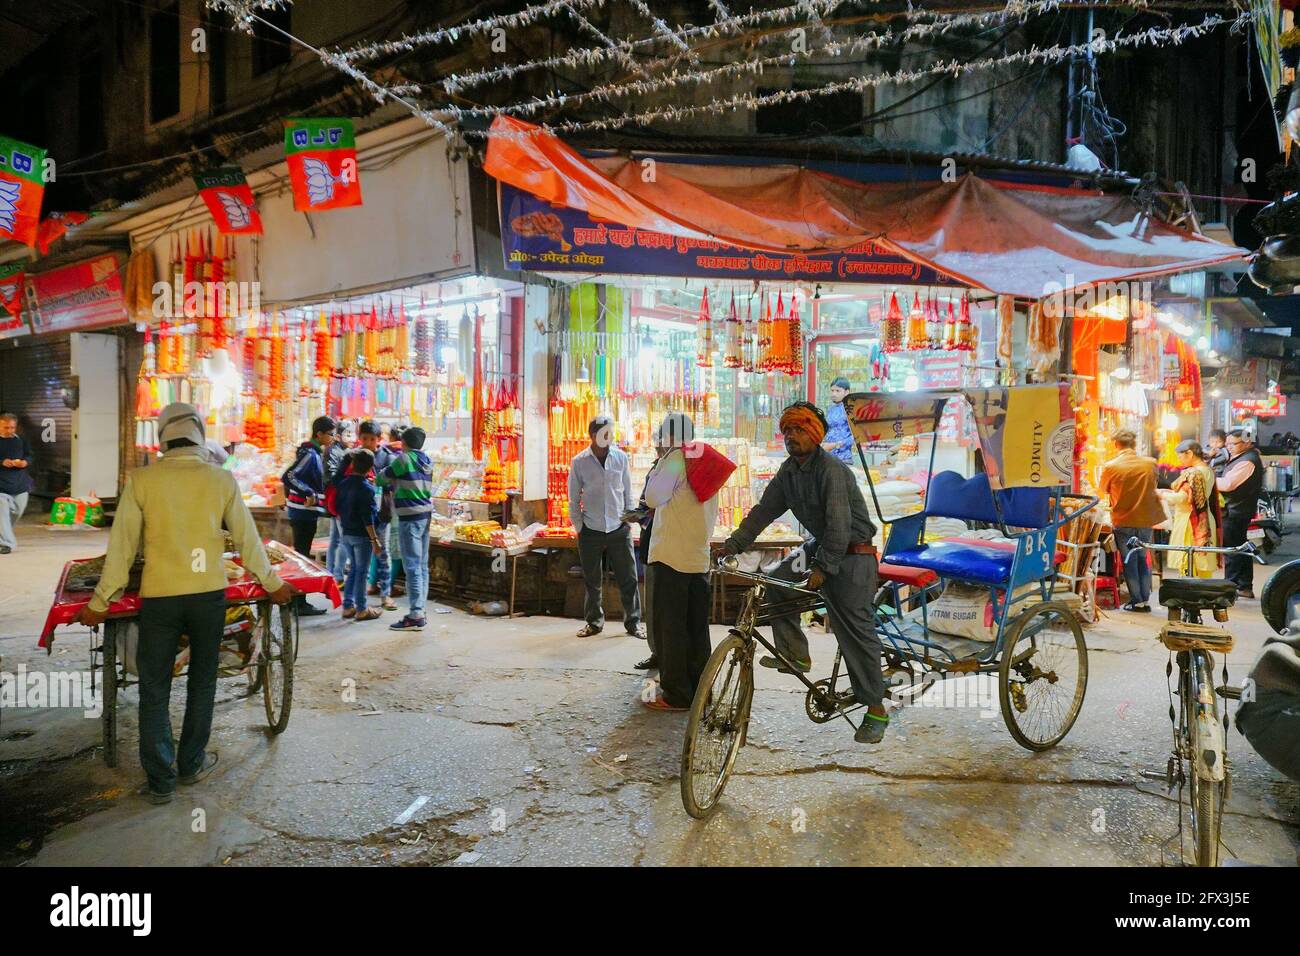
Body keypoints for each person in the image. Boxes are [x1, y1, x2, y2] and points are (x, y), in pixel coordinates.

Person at [76, 403, 294, 804]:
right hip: (208, 596)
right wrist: (273, 582)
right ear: (198, 436)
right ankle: (191, 764)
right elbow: (247, 541)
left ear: (161, 438)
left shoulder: (142, 480)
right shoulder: (220, 480)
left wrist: (100, 601)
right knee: (202, 681)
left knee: (154, 687)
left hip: (160, 597)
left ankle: (161, 781)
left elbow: (121, 549)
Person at [723, 402, 890, 744]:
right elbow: (764, 510)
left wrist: (823, 568)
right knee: (779, 580)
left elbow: (840, 525)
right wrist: (735, 542)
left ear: (814, 435)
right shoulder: (788, 471)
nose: (792, 437)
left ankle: (876, 709)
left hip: (853, 555)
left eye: (799, 430)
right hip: (821, 547)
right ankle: (796, 655)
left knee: (854, 631)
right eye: (787, 431)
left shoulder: (831, 470)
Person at [641, 413, 719, 711]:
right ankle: (700, 689)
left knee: (671, 627)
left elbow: (651, 497)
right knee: (696, 628)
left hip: (672, 555)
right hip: (697, 556)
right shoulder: (705, 458)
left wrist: (663, 461)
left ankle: (677, 694)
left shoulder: (675, 459)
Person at [568, 414, 643, 639]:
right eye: (604, 434)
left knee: (628, 577)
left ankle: (633, 622)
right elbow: (573, 498)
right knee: (592, 579)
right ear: (592, 435)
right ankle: (593, 623)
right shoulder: (579, 462)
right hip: (591, 528)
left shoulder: (620, 458)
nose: (608, 438)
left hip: (618, 528)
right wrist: (580, 527)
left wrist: (629, 520)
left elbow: (627, 491)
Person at [1098, 429, 1164, 612]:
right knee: (1142, 558)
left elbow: (1103, 489)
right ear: (1134, 444)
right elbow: (1154, 484)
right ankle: (1144, 599)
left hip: (1123, 518)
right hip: (1145, 518)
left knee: (1129, 560)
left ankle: (1136, 600)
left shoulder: (1111, 466)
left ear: (1115, 444)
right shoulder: (1150, 463)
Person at [381, 426, 434, 631]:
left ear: (404, 443)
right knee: (421, 565)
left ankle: (415, 614)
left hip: (409, 516)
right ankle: (421, 608)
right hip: (425, 514)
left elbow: (381, 478)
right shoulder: (427, 460)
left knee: (411, 565)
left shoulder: (404, 459)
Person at [281, 415, 336, 616]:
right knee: (302, 557)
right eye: (330, 434)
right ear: (319, 434)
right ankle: (298, 602)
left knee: (302, 555)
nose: (332, 438)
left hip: (304, 512)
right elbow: (288, 476)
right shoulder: (310, 454)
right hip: (302, 512)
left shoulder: (313, 452)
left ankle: (299, 601)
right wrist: (309, 493)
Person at [334, 448, 385, 621]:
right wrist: (374, 540)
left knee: (354, 571)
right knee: (361, 572)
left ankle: (348, 606)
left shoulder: (343, 484)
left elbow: (338, 508)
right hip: (361, 536)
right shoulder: (367, 489)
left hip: (346, 532)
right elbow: (368, 517)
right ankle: (362, 609)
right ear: (370, 467)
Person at [1217, 427, 1264, 599]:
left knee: (1233, 550)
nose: (1229, 447)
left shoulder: (1247, 461)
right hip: (1236, 510)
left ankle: (1230, 587)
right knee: (1241, 548)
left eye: (1233, 444)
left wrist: (1208, 479)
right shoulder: (1240, 457)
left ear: (1247, 443)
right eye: (1227, 443)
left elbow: (1229, 484)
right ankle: (1244, 586)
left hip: (1236, 511)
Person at [1160, 440, 1218, 577]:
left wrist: (1161, 495)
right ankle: (1202, 594)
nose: (1179, 460)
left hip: (1190, 522)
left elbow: (1183, 498)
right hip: (1204, 519)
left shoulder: (1193, 473)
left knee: (1189, 561)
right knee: (1202, 566)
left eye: (1180, 456)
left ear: (1190, 453)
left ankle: (1191, 594)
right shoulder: (1207, 470)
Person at [358, 421, 398, 611]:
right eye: (364, 438)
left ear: (379, 440)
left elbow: (393, 483)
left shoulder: (387, 458)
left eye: (371, 439)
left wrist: (379, 482)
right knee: (361, 556)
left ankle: (386, 595)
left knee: (383, 553)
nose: (367, 442)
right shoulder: (355, 457)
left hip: (381, 514)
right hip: (361, 515)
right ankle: (361, 600)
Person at [0, 411, 33, 555]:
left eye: (12, 427)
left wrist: (25, 462)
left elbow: (30, 455)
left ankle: (4, 534)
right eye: (5, 427)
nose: (9, 431)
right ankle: (7, 543)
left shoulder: (21, 440)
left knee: (17, 512)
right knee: (2, 512)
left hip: (20, 485)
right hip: (1, 486)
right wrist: (1, 462)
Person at [324, 421, 352, 587]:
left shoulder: (342, 450)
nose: (352, 437)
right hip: (338, 500)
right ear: (339, 436)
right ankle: (338, 576)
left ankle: (331, 574)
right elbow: (332, 478)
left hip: (336, 500)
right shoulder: (334, 451)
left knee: (335, 538)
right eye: (348, 434)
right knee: (343, 539)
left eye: (353, 433)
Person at [821, 376, 857, 466]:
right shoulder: (831, 409)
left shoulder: (850, 410)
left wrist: (834, 445)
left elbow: (856, 436)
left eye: (838, 391)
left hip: (843, 460)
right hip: (828, 458)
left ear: (846, 392)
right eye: (832, 390)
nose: (834, 394)